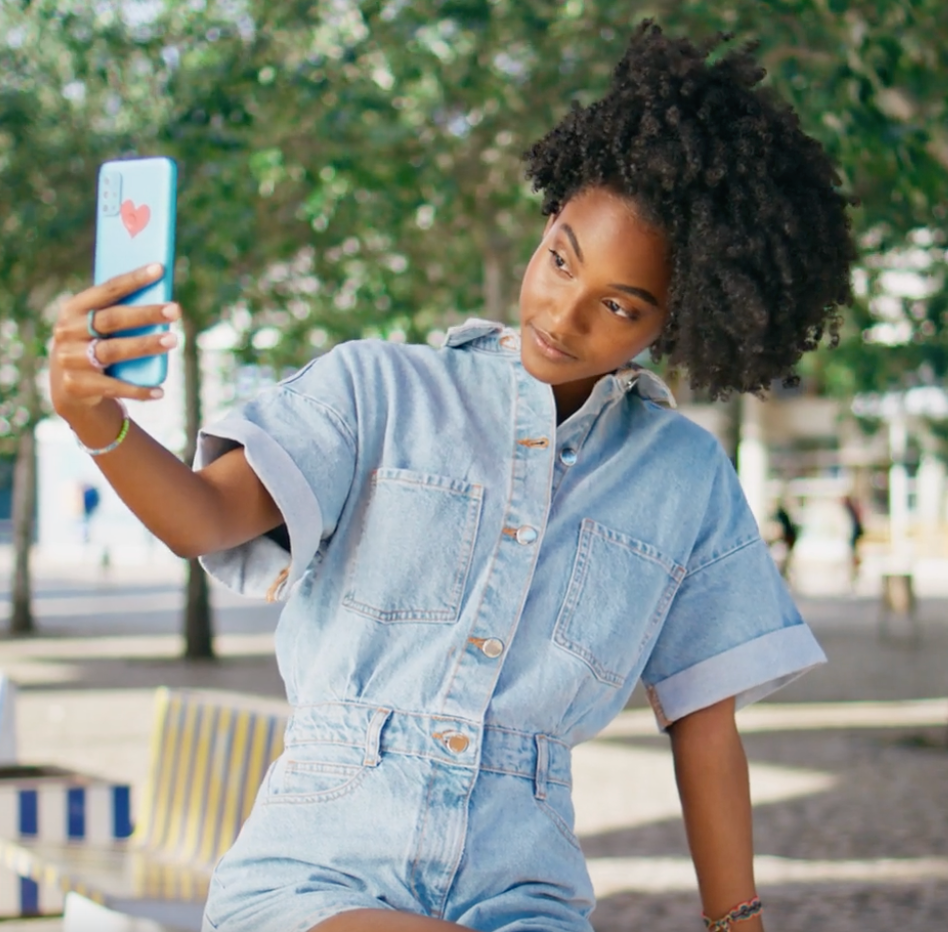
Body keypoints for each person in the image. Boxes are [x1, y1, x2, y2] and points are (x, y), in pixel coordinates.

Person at [47, 22, 856, 932]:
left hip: (526, 894)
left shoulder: (684, 477)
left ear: (679, 320)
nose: (563, 312)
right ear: (548, 220)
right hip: (317, 880)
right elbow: (202, 519)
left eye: (619, 306)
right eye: (560, 257)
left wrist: (737, 922)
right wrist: (97, 423)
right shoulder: (375, 389)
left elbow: (706, 729)